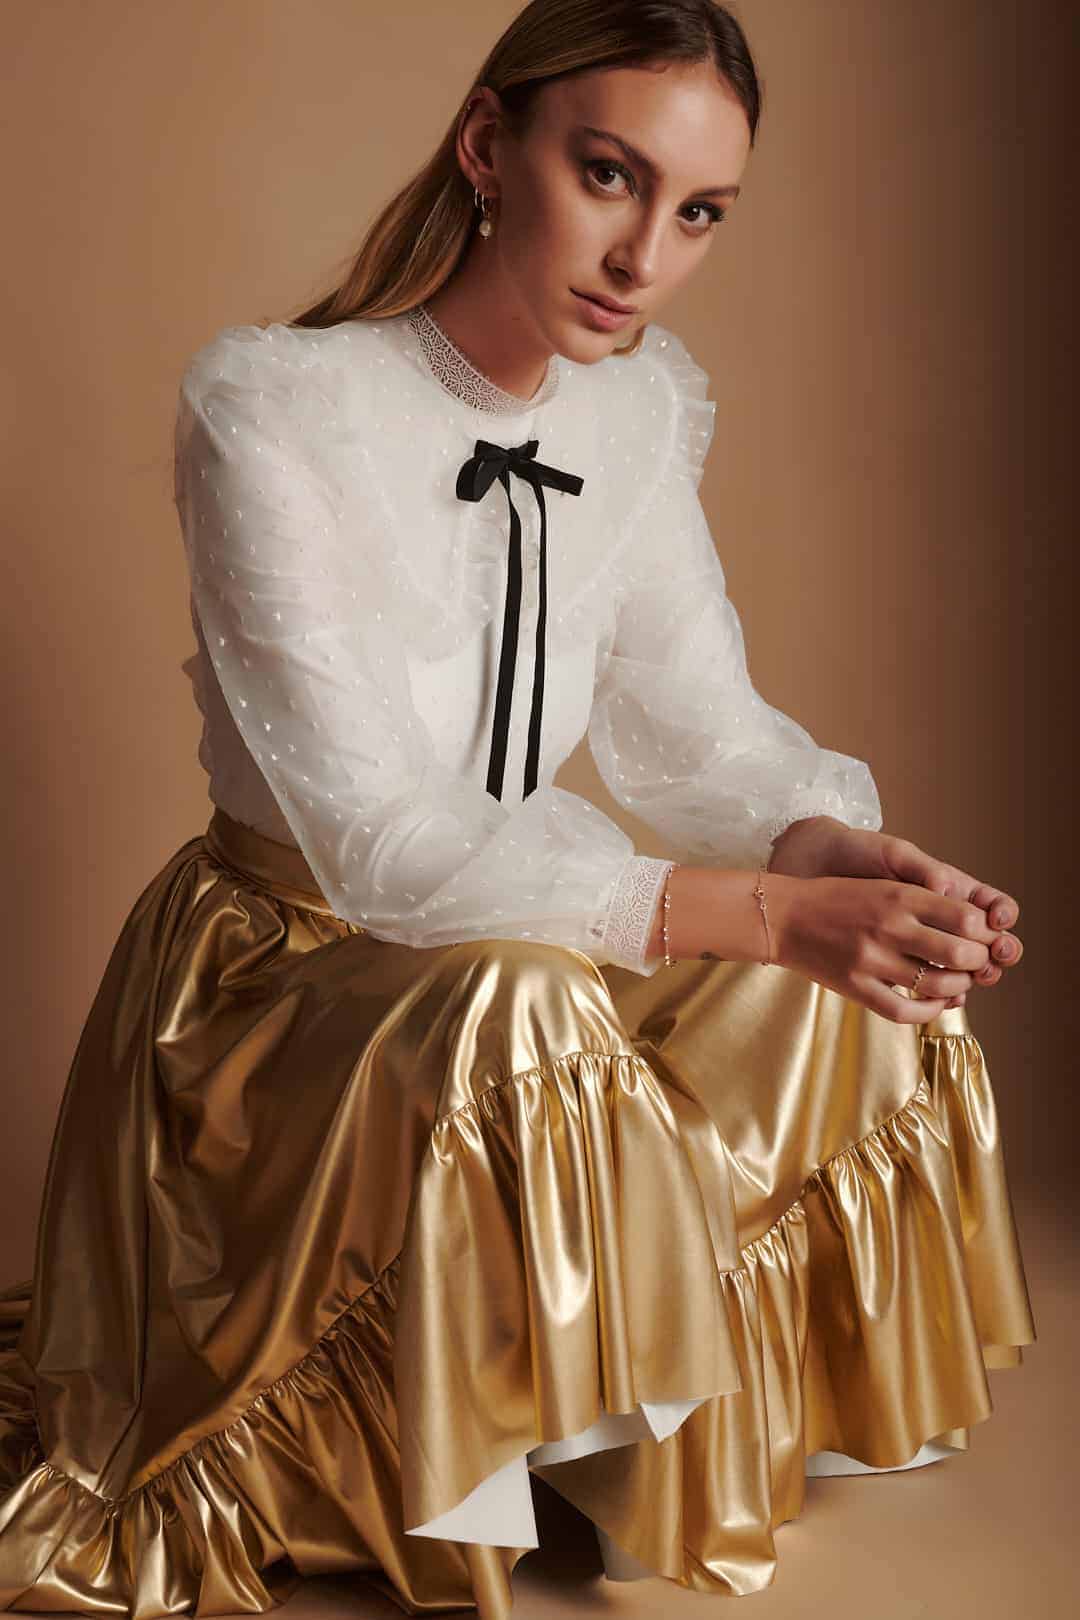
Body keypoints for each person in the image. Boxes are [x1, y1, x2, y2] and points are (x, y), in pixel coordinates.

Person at [0, 1, 1035, 1615]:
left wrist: (834, 857)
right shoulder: (273, 403)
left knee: (849, 973)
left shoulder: (640, 407)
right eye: (609, 176)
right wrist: (769, 912)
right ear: (490, 147)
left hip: (528, 938)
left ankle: (645, 1425)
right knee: (527, 995)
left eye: (698, 212)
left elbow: (698, 730)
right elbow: (379, 846)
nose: (644, 257)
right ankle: (481, 1447)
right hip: (289, 987)